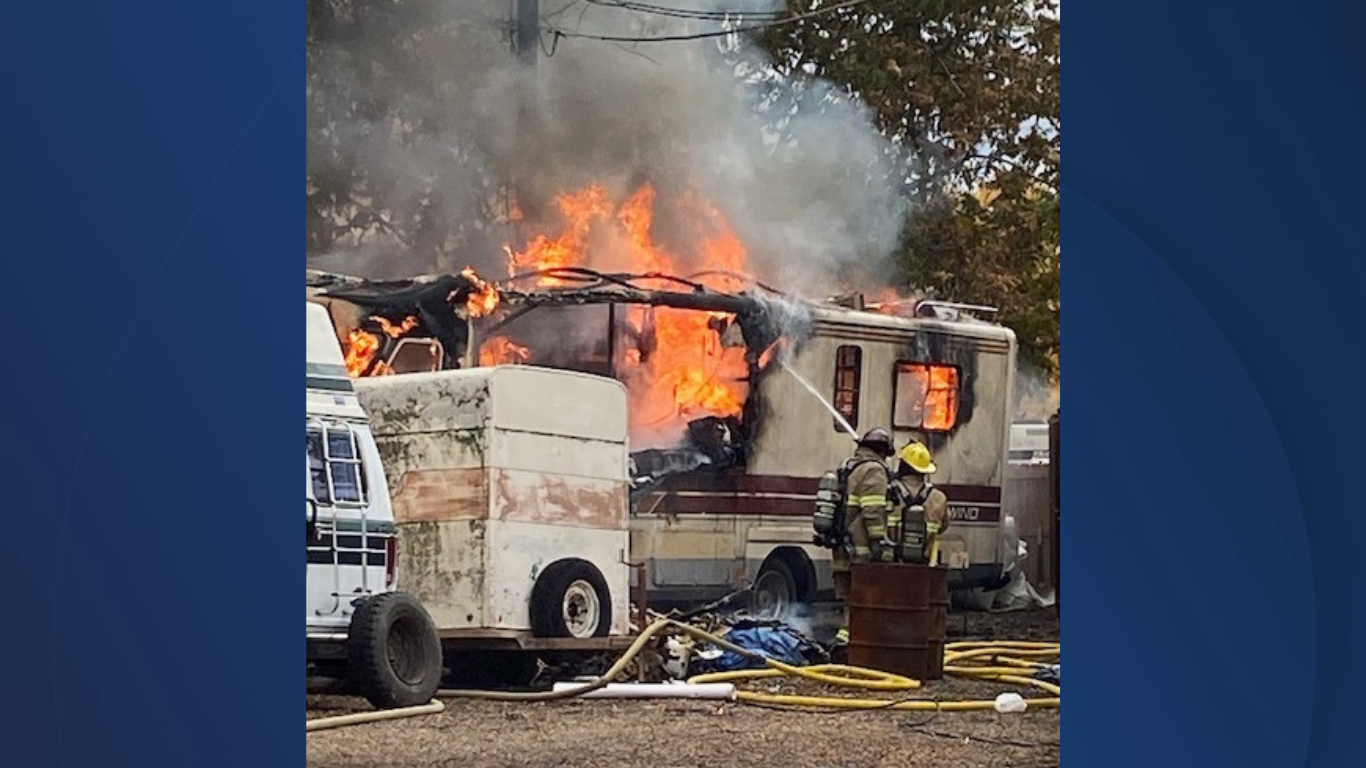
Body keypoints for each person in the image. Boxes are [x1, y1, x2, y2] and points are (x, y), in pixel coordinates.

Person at [831, 428, 896, 604]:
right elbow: (872, 509)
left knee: (848, 603)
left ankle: (847, 631)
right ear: (882, 450)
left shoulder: (848, 466)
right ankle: (856, 631)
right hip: (861, 551)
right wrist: (877, 540)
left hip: (842, 548)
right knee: (864, 604)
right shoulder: (874, 470)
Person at [888, 442, 950, 565]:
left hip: (892, 563)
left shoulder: (888, 492)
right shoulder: (939, 498)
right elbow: (943, 527)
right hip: (925, 565)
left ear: (903, 465)